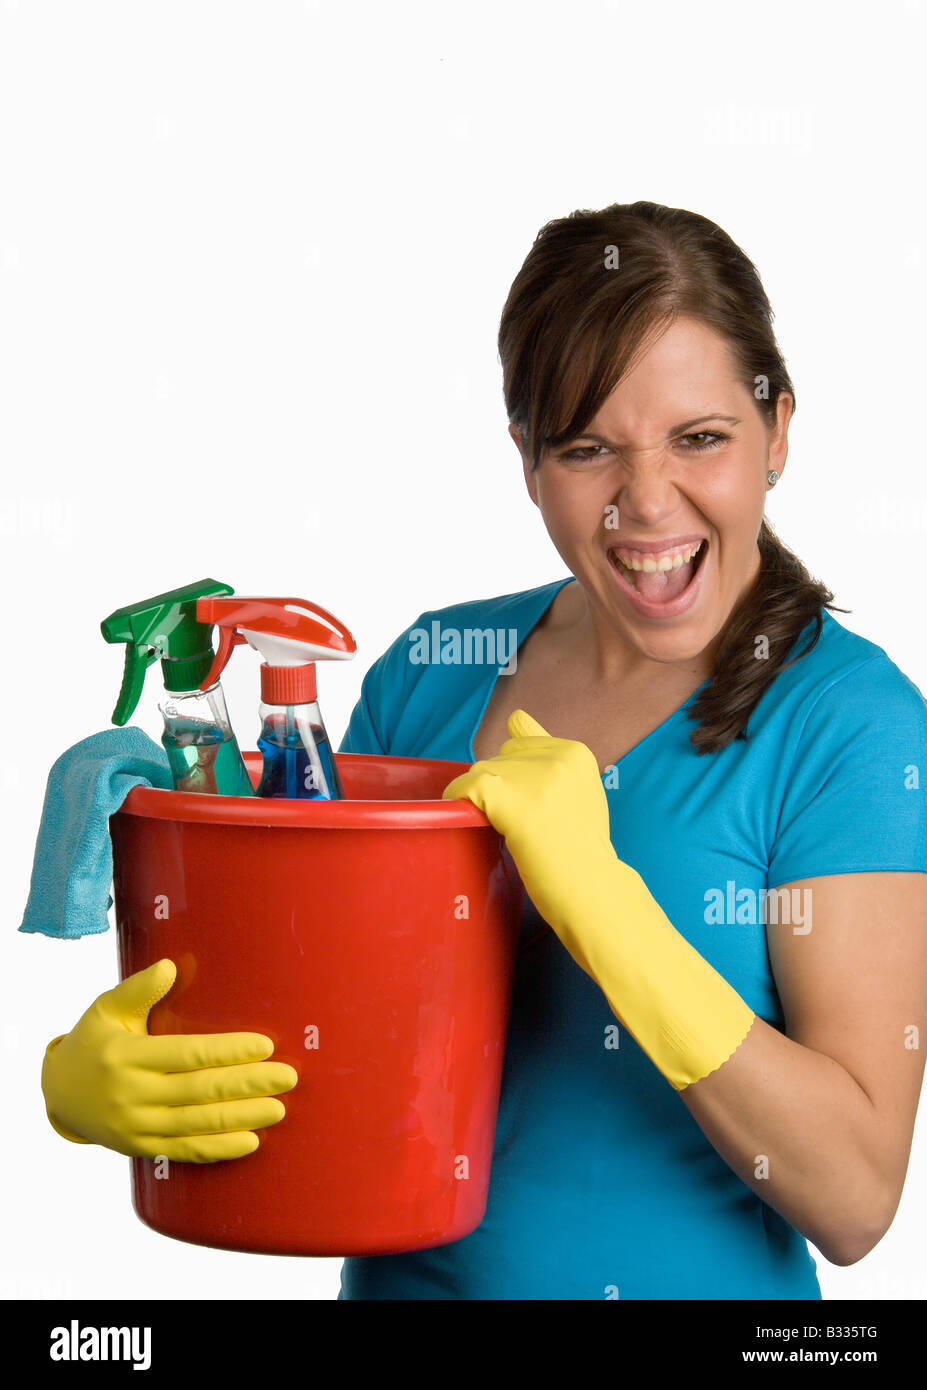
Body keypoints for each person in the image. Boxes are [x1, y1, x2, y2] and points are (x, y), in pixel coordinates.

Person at [41, 201, 927, 1300]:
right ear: (526, 458)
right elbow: (315, 1045)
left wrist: (601, 902)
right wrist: (99, 1088)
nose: (647, 503)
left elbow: (854, 1198)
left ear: (779, 431)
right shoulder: (432, 670)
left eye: (701, 437)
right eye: (588, 448)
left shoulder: (849, 722)